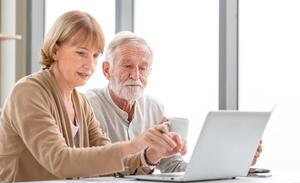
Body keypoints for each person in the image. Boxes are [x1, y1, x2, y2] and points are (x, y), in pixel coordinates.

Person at [0, 11, 185, 183]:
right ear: (55, 50)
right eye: (81, 53)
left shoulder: (80, 102)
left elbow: (112, 165)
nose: (90, 65)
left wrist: (152, 153)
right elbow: (60, 161)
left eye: (95, 55)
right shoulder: (28, 92)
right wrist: (136, 143)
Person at [85, 31, 263, 173]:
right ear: (107, 70)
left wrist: (233, 163)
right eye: (127, 65)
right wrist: (148, 155)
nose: (136, 75)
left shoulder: (154, 108)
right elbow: (97, 166)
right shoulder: (88, 105)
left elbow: (173, 166)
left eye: (143, 67)